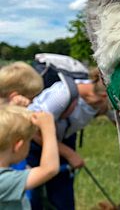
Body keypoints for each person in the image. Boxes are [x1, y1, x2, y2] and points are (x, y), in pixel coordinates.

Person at [27, 68, 109, 210]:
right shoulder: (62, 95)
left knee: (64, 199)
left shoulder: (100, 101)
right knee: (34, 196)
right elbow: (33, 130)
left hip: (60, 139)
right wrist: (69, 154)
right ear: (103, 96)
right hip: (33, 144)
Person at [0, 105, 59, 210]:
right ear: (18, 146)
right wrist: (48, 129)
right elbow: (49, 170)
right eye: (29, 141)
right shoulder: (4, 179)